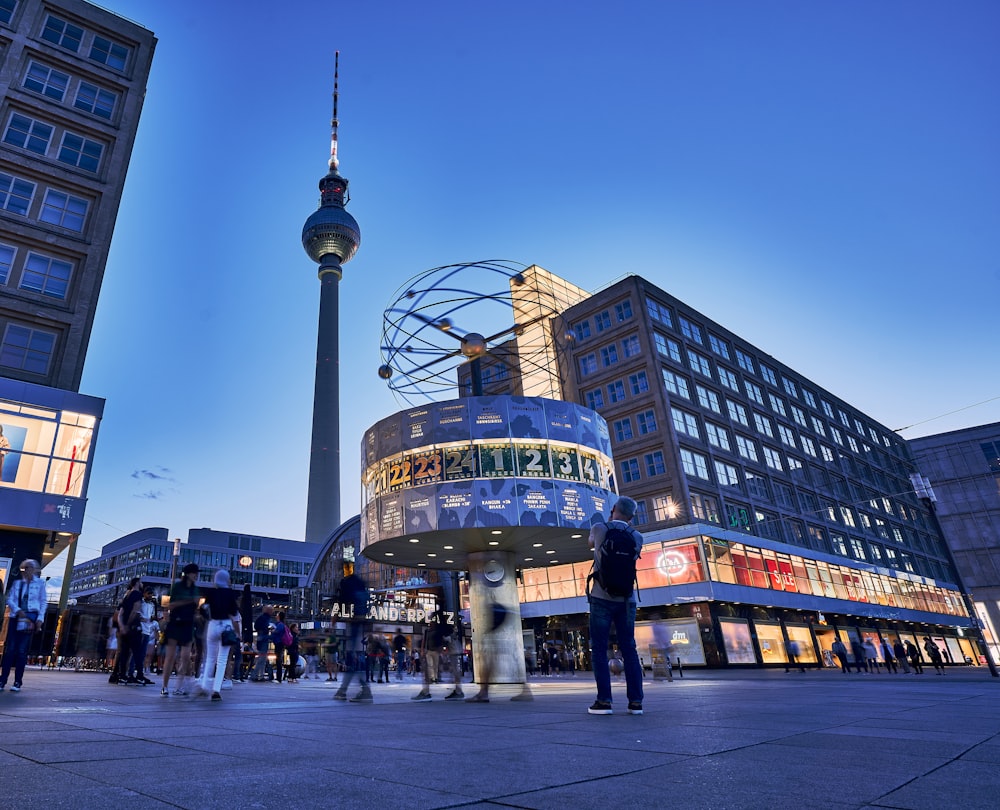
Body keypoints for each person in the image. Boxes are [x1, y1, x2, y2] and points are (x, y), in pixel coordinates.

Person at [586, 496, 644, 715]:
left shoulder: (600, 528)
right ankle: (636, 702)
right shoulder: (637, 536)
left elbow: (590, 544)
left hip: (601, 596)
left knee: (599, 648)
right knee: (629, 647)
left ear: (613, 510)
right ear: (631, 516)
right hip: (627, 599)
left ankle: (604, 701)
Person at [1, 559, 47, 693]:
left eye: (30, 568)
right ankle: (3, 680)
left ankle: (17, 681)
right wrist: (17, 610)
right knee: (10, 650)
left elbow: (43, 602)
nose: (27, 571)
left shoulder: (39, 584)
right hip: (16, 617)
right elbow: (10, 599)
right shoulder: (18, 583)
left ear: (34, 570)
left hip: (29, 618)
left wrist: (40, 618)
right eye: (25, 568)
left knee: (21, 651)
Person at [197, 569, 241, 701]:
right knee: (222, 660)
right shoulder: (230, 594)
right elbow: (234, 613)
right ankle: (216, 689)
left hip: (213, 624)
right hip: (226, 625)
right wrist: (238, 633)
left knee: (209, 657)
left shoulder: (211, 592)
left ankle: (204, 686)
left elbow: (203, 608)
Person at [333, 561, 373, 703]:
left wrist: (335, 617)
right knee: (356, 656)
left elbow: (341, 600)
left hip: (354, 621)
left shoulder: (346, 582)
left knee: (352, 657)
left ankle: (350, 690)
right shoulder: (359, 581)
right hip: (362, 621)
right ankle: (350, 690)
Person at [161, 563, 200, 696]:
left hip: (188, 624)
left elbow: (196, 608)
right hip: (175, 622)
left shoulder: (195, 589)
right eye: (194, 573)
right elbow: (170, 605)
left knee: (185, 657)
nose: (196, 575)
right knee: (170, 656)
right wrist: (188, 601)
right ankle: (165, 686)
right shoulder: (177, 586)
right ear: (188, 573)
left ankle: (179, 685)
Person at [413, 609, 463, 700]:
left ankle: (426, 692)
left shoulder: (440, 628)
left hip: (451, 648)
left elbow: (441, 642)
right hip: (452, 648)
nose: (431, 621)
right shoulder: (442, 627)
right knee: (453, 669)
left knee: (453, 669)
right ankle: (458, 691)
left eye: (432, 618)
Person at [251, 604, 273, 681]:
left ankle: (258, 675)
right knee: (262, 658)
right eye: (271, 610)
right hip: (264, 639)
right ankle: (256, 675)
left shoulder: (261, 617)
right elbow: (262, 627)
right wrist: (267, 629)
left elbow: (256, 626)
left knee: (262, 658)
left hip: (261, 638)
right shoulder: (266, 618)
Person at [271, 611, 288, 683]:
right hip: (279, 644)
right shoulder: (280, 624)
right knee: (278, 660)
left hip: (279, 644)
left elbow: (276, 631)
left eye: (277, 615)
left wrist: (272, 630)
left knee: (278, 661)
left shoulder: (280, 625)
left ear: (279, 616)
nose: (276, 616)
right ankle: (279, 678)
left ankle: (279, 678)